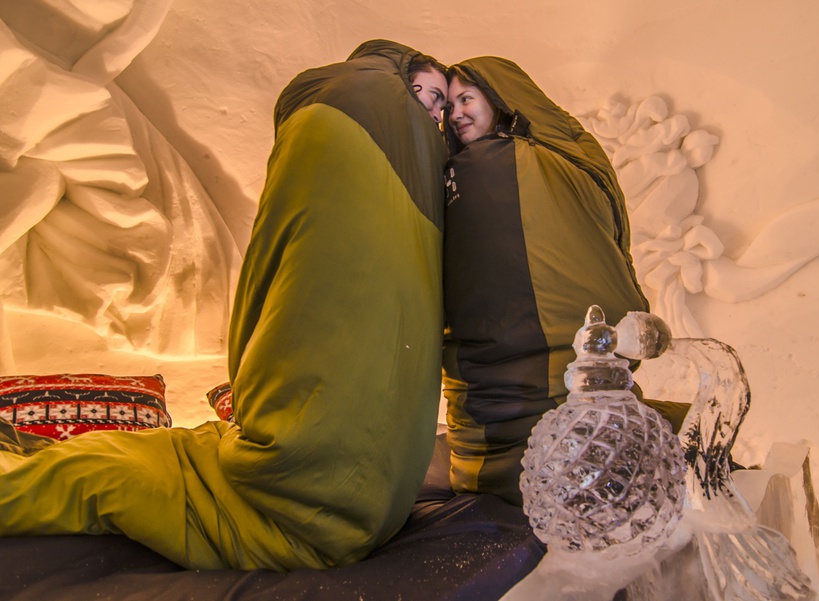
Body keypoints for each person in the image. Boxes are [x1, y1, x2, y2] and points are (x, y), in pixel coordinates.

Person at [0, 40, 449, 572]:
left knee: (95, 469)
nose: (436, 111)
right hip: (303, 472)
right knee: (106, 450)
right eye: (424, 92)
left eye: (441, 102)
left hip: (287, 490)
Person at [441, 57, 688, 506]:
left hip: (546, 386)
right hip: (491, 379)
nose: (455, 112)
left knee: (592, 424)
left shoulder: (536, 161)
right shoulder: (466, 170)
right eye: (450, 104)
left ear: (499, 100)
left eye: (467, 98)